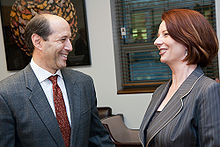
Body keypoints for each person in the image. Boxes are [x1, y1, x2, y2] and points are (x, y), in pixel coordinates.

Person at [0, 14, 114, 147]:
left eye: (70, 39)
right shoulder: (6, 93)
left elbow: (97, 138)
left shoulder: (84, 83)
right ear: (38, 42)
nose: (70, 47)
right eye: (63, 39)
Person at [139, 9, 220, 147]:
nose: (156, 42)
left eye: (165, 34)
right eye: (158, 35)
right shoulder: (160, 92)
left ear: (188, 40)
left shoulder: (207, 90)